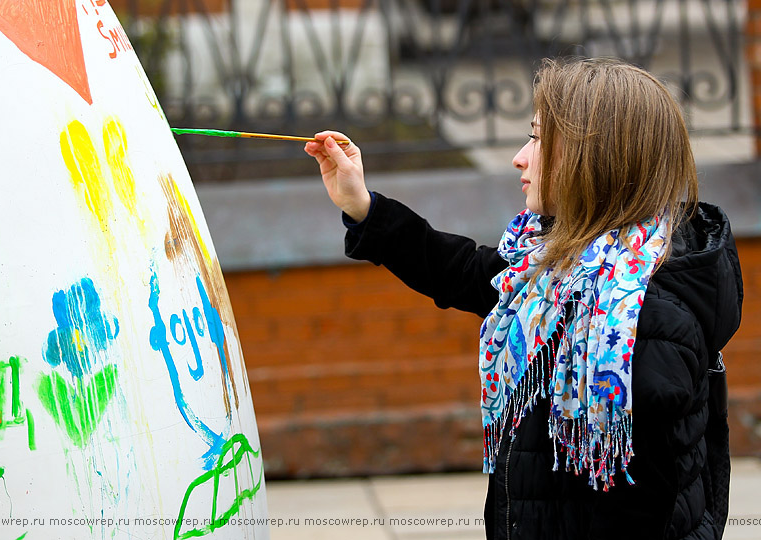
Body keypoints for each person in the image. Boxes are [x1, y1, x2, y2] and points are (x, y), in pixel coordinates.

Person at [304, 57, 743, 540]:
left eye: (537, 139)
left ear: (594, 158)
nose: (519, 156)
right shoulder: (559, 270)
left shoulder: (638, 319)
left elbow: (638, 516)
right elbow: (465, 272)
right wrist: (361, 205)